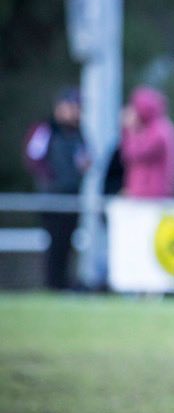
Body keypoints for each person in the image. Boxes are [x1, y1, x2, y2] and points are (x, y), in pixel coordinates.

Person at [23, 87, 89, 290]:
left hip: (72, 195)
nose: (75, 112)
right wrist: (50, 178)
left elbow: (86, 158)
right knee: (55, 240)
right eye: (71, 106)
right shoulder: (46, 129)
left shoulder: (79, 133)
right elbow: (33, 157)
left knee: (68, 240)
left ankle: (63, 282)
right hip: (52, 196)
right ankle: (52, 282)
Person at [121, 85, 174, 199]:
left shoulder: (158, 131)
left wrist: (132, 130)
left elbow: (133, 153)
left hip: (152, 197)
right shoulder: (154, 128)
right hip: (146, 196)